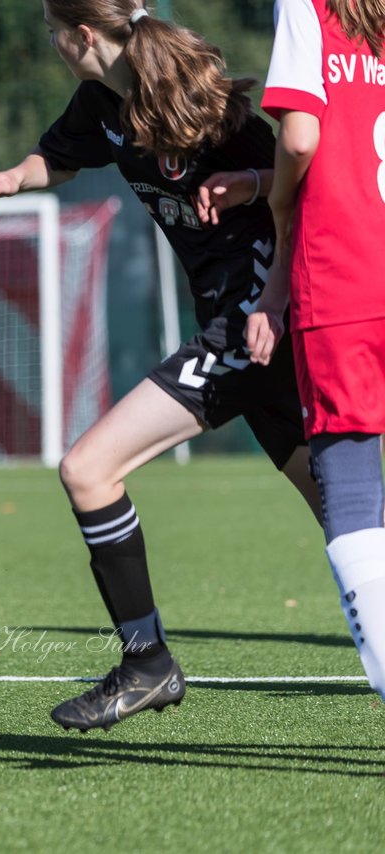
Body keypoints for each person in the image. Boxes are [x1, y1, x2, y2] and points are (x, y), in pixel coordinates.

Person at [0, 0, 324, 732]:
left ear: (82, 36)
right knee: (345, 513)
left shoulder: (195, 94)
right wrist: (12, 176)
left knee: (89, 469)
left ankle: (147, 662)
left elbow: (307, 168)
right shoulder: (101, 103)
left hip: (255, 319)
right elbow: (59, 160)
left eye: (54, 32)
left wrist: (251, 187)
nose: (54, 44)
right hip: (243, 326)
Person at [244, 0, 385, 699]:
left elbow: (300, 139)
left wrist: (276, 203)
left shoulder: (307, 6)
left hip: (348, 273)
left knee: (352, 483)